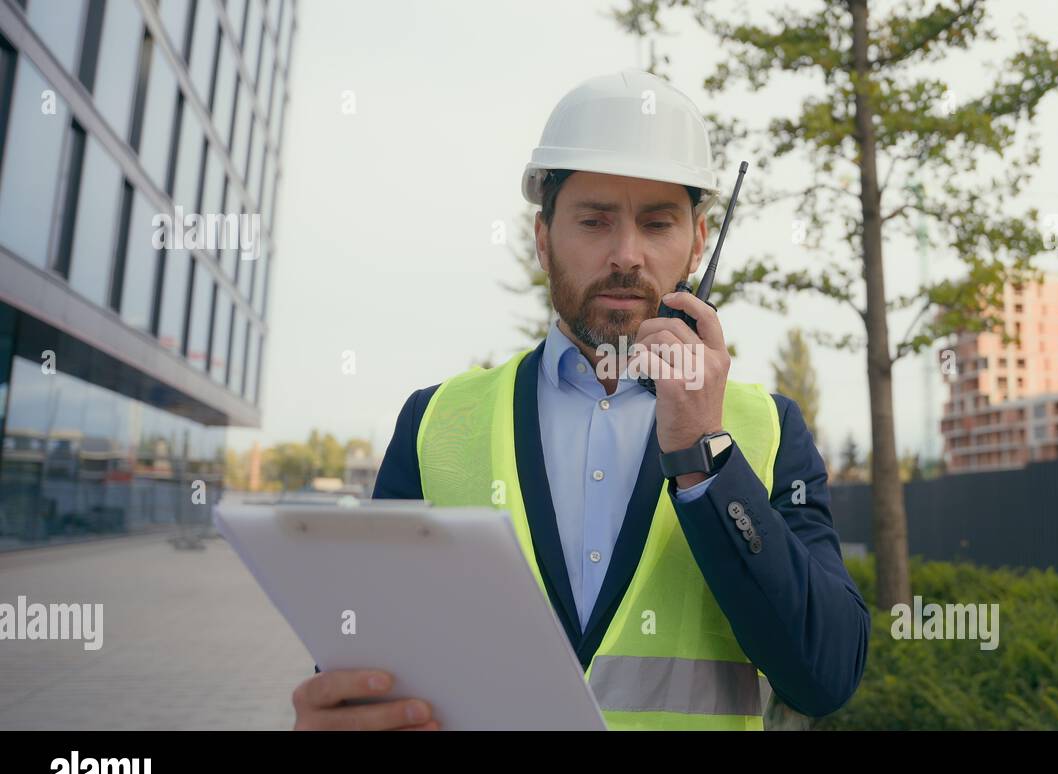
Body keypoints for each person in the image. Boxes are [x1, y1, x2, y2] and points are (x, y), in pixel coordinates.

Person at [292, 70, 870, 731]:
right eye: (594, 221)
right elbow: (367, 665)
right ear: (542, 238)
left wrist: (706, 458)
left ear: (698, 244)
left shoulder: (766, 430)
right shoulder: (433, 424)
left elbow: (825, 674)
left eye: (657, 224)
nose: (626, 255)